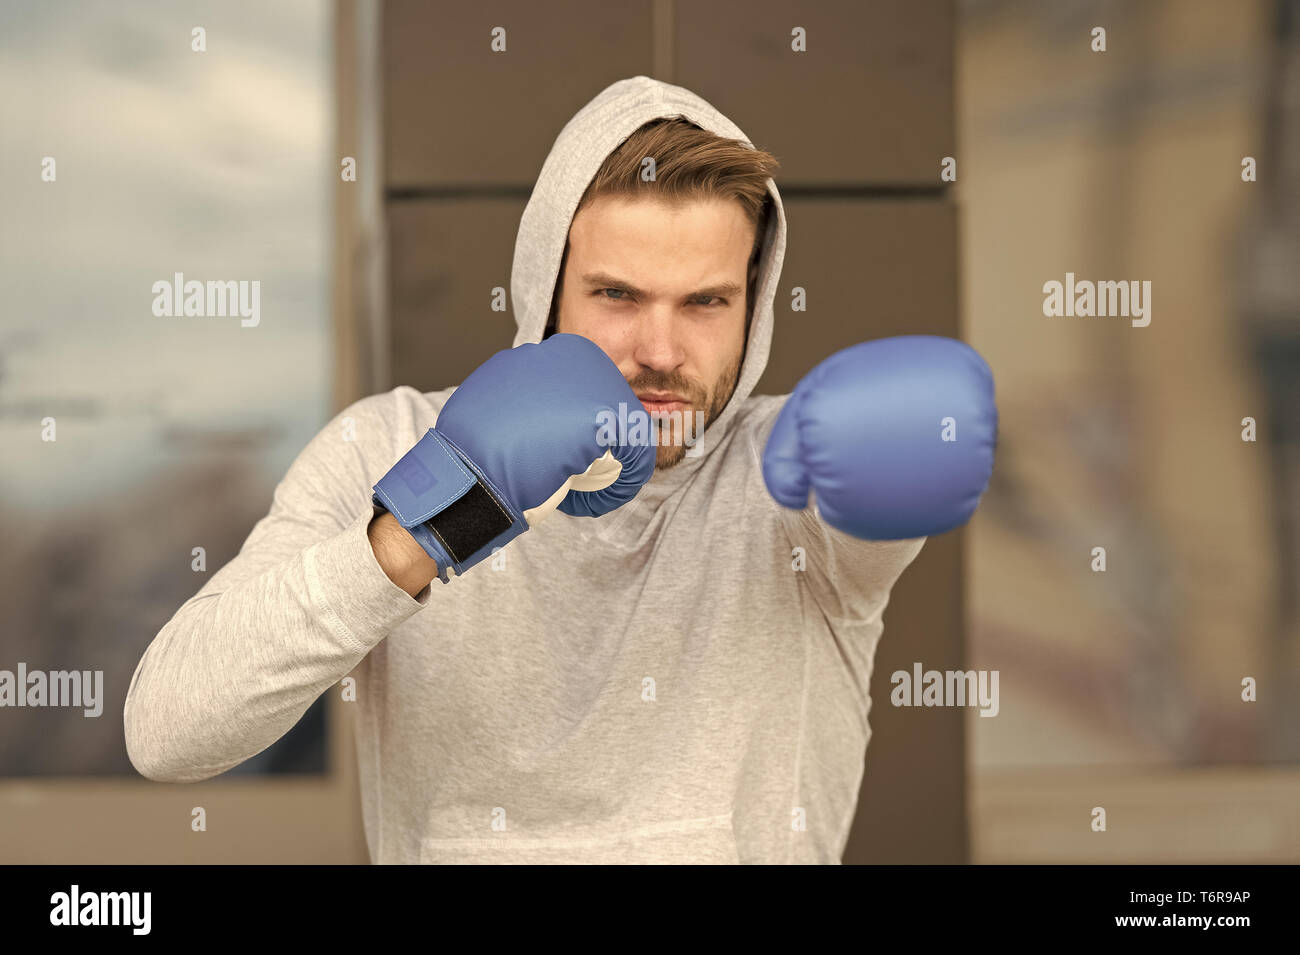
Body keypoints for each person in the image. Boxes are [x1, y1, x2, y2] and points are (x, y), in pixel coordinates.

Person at [125, 75, 996, 864]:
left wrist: (917, 444)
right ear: (544, 287)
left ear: (754, 305)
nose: (659, 350)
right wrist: (435, 515)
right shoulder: (385, 444)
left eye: (705, 302)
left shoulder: (791, 481)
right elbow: (167, 732)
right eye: (616, 295)